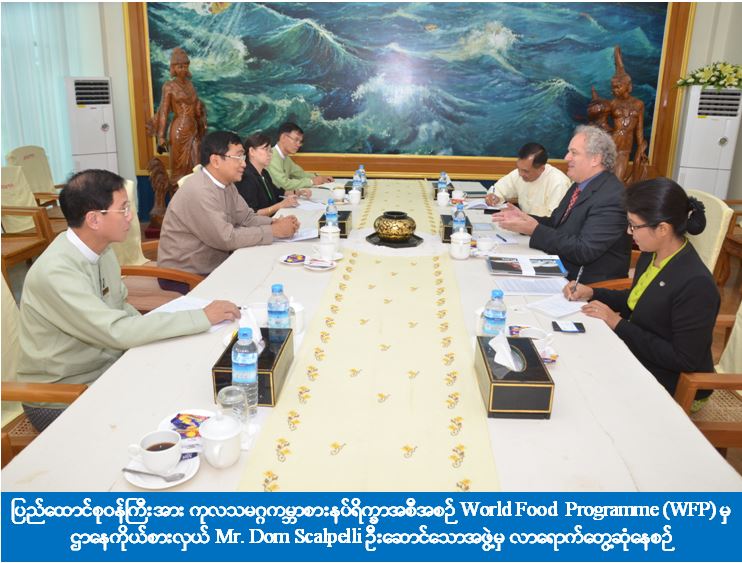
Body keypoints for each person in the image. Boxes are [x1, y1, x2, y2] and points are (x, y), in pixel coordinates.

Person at [17, 169, 240, 431]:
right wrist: (200, 317)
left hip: (106, 370)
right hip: (62, 396)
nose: (131, 216)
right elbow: (116, 331)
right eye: (123, 209)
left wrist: (176, 329)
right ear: (94, 219)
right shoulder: (56, 272)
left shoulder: (101, 251)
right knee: (163, 415)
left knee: (186, 378)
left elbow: (123, 308)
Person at [564, 178, 718, 400]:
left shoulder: (696, 284)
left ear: (663, 229)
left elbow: (683, 360)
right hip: (639, 356)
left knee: (582, 388)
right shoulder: (652, 254)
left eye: (634, 225)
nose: (629, 232)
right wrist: (592, 293)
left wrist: (618, 324)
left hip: (674, 381)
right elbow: (640, 299)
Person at [493, 125, 631, 283]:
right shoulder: (579, 185)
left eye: (574, 153)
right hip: (561, 268)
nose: (566, 158)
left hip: (586, 285)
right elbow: (556, 223)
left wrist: (535, 230)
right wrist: (525, 219)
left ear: (595, 159)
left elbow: (584, 250)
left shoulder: (612, 196)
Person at [158, 131, 300, 279]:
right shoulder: (200, 190)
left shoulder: (227, 184)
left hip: (217, 264)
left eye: (243, 157)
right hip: (186, 275)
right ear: (216, 161)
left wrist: (274, 222)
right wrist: (273, 231)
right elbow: (226, 238)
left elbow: (247, 218)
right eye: (238, 157)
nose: (244, 163)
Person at [153, 47, 206, 182]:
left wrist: (200, 109)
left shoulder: (190, 85)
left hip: (193, 130)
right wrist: (161, 136)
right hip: (178, 131)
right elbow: (164, 112)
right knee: (179, 171)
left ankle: (195, 194)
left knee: (196, 166)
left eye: (185, 66)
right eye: (179, 66)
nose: (183, 69)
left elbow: (196, 107)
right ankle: (177, 194)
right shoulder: (169, 86)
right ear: (173, 68)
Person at [484, 142, 571, 216]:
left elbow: (554, 220)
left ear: (541, 169)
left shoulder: (559, 183)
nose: (520, 174)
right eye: (519, 168)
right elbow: (499, 189)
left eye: (526, 171)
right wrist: (494, 196)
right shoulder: (519, 174)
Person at [235, 132, 301, 216]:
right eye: (265, 149)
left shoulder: (264, 172)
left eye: (270, 150)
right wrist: (280, 205)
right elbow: (253, 214)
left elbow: (277, 193)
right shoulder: (246, 178)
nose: (269, 154)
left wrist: (297, 192)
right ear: (252, 151)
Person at [267, 122, 333, 192]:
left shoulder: (285, 157)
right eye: (296, 140)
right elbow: (283, 184)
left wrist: (319, 177)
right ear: (283, 137)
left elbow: (300, 174)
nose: (299, 145)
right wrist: (312, 181)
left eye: (300, 142)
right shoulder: (270, 156)